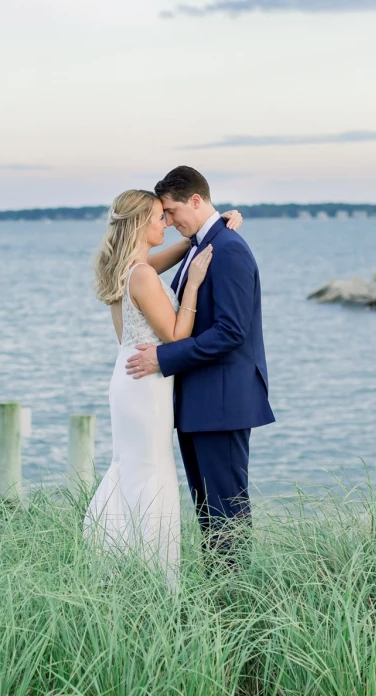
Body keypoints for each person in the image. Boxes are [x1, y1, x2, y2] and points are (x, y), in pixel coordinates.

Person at [83, 188, 242, 586]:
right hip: (147, 383)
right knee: (152, 470)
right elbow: (175, 338)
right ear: (140, 224)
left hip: (128, 379)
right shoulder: (142, 276)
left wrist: (209, 230)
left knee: (131, 467)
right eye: (159, 218)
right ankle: (155, 576)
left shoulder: (126, 267)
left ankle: (120, 562)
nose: (166, 223)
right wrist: (192, 287)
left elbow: (174, 254)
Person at [125, 166, 274, 570]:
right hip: (199, 402)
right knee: (209, 516)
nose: (169, 221)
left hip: (222, 403)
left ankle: (235, 606)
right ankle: (218, 602)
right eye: (164, 216)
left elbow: (231, 332)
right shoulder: (200, 244)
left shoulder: (229, 250)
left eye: (171, 212)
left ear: (195, 200)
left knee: (227, 516)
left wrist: (163, 358)